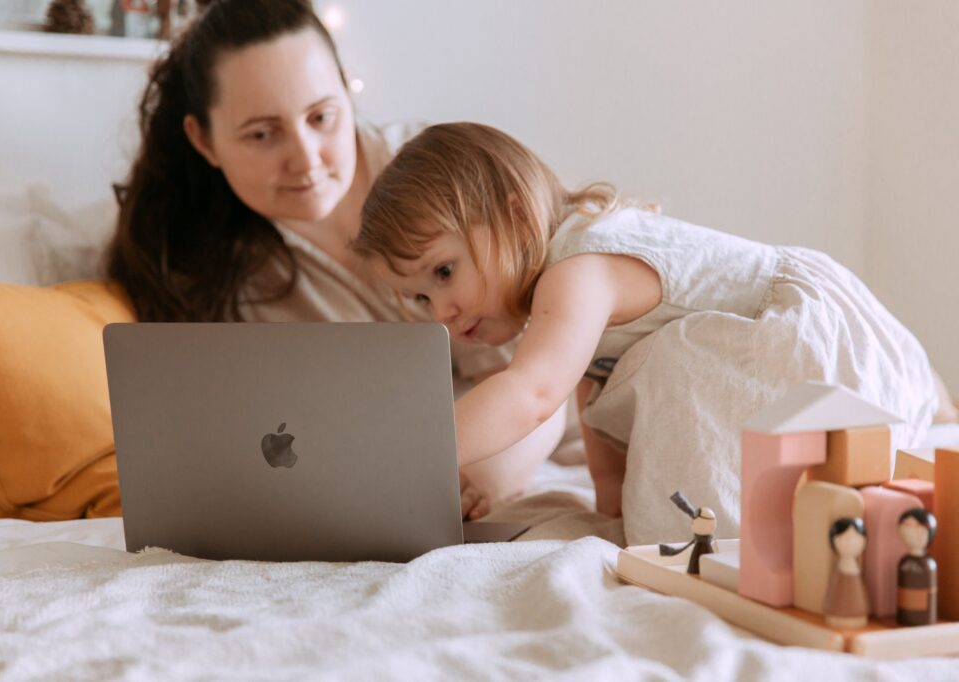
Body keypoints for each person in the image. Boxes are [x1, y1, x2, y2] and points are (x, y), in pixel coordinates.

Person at [350, 122, 938, 544]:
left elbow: (531, 393)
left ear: (510, 214)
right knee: (659, 377)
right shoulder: (563, 294)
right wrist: (610, 497)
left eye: (445, 272)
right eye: (421, 297)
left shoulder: (579, 268)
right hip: (781, 351)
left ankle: (723, 533)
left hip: (799, 337)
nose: (441, 311)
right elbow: (596, 395)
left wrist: (410, 450)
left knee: (680, 376)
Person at [105, 0, 567, 519]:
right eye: (262, 134)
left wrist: (469, 483)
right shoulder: (199, 263)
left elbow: (545, 378)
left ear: (348, 90)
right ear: (203, 140)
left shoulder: (450, 179)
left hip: (517, 454)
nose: (306, 159)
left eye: (322, 117)